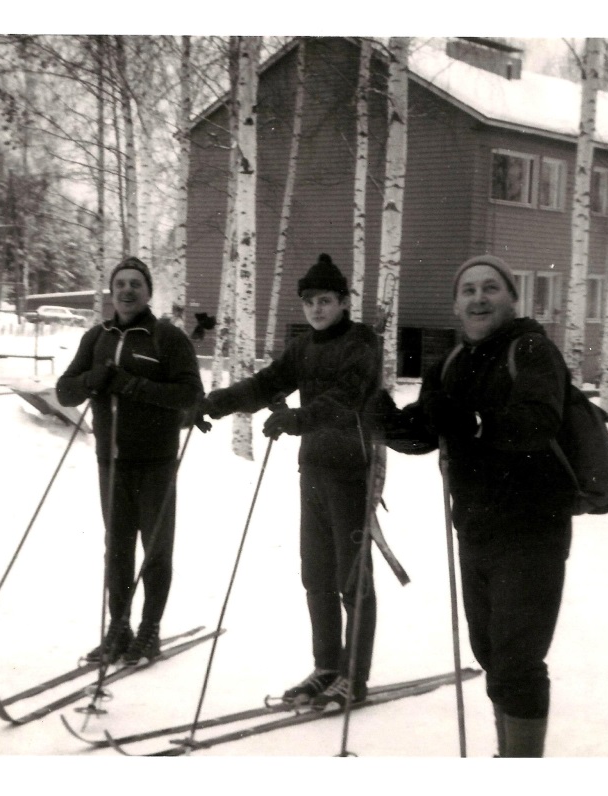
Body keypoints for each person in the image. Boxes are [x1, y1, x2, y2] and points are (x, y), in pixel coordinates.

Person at [376, 254, 574, 756]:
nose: (479, 298)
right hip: (475, 525)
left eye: (490, 288)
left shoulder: (530, 350)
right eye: (469, 290)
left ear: (511, 298)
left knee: (517, 659)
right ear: (457, 304)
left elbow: (537, 422)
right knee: (490, 653)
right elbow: (426, 433)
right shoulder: (451, 362)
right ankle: (508, 755)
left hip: (531, 525)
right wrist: (382, 417)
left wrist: (471, 420)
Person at [200, 253, 381, 710]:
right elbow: (268, 382)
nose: (317, 310)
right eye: (309, 302)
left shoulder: (361, 342)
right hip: (314, 471)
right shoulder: (304, 347)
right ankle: (327, 666)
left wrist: (298, 418)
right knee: (316, 574)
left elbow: (347, 399)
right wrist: (219, 402)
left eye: (325, 301)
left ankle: (354, 678)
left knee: (351, 577)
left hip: (353, 472)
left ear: (343, 302)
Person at [56, 257, 203, 666]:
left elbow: (191, 395)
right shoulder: (95, 338)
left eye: (135, 284)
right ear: (111, 290)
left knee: (155, 550)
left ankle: (149, 633)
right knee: (117, 550)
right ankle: (118, 630)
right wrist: (92, 381)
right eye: (120, 283)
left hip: (156, 463)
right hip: (112, 463)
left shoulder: (166, 337)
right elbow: (65, 392)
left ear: (148, 291)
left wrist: (132, 385)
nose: (126, 290)